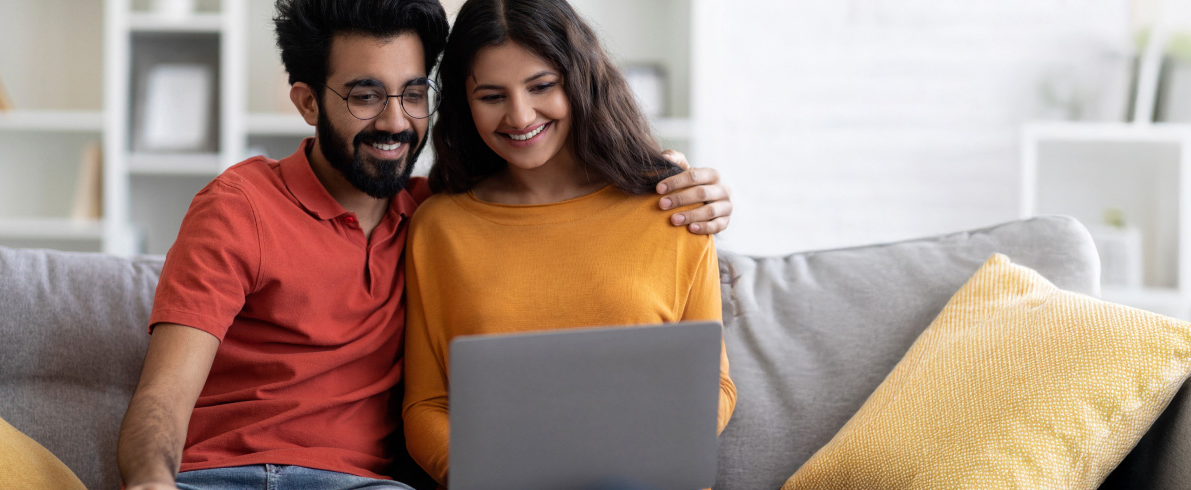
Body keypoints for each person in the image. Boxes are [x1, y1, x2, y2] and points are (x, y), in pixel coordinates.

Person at [115, 1, 734, 489]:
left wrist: (665, 175)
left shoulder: (423, 208)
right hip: (222, 478)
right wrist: (149, 483)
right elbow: (162, 399)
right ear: (306, 101)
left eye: (413, 94)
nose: (393, 121)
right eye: (363, 95)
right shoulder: (250, 209)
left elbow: (709, 382)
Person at [401, 0, 737, 486]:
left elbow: (715, 386)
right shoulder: (439, 228)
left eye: (541, 86)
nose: (520, 116)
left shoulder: (672, 207)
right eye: (492, 96)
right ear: (463, 103)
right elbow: (426, 407)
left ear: (579, 79)